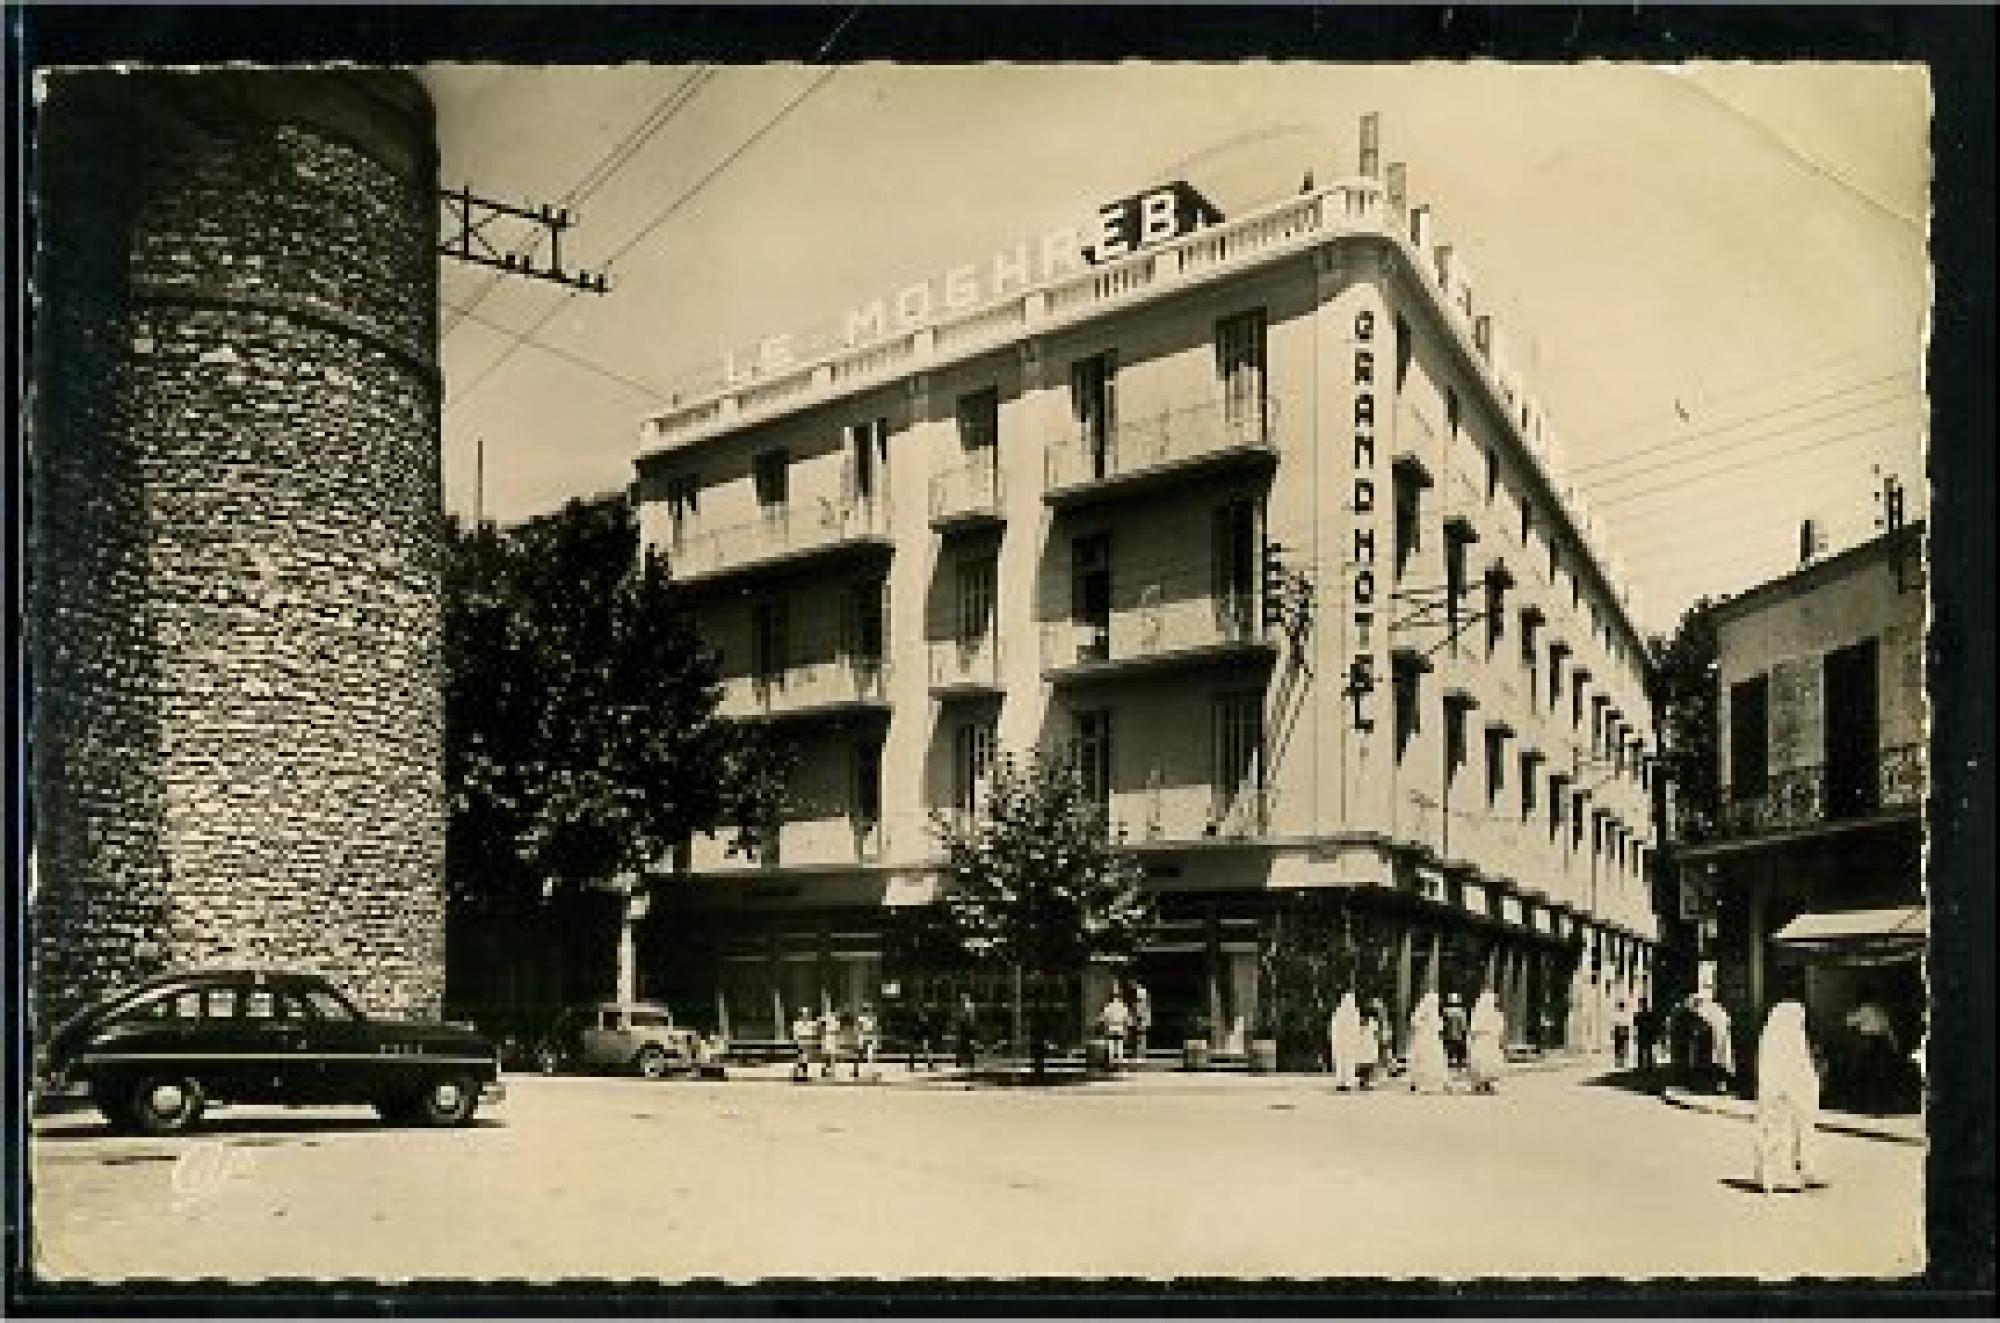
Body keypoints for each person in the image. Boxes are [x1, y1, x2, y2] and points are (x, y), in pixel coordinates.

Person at [1753, 1000, 1822, 1194]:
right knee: (1784, 1134)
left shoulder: (1770, 1037)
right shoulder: (1792, 1038)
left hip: (1773, 1092)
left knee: (1772, 1134)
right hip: (1788, 1095)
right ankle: (1784, 1176)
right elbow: (1801, 1069)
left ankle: (1770, 1177)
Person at [1407, 991, 1450, 1093]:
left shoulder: (1433, 1014)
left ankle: (1430, 1082)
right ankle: (1422, 1082)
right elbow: (1416, 1024)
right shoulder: (1422, 1014)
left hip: (1430, 1040)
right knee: (1424, 1060)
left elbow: (1439, 1027)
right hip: (1426, 1040)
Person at [1467, 990, 1506, 1093]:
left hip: (1486, 1041)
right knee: (1485, 1063)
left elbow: (1473, 1029)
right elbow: (1500, 1029)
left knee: (1483, 1063)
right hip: (1488, 1042)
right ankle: (1482, 1084)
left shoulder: (1479, 1014)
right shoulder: (1495, 1014)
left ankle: (1483, 1084)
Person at [1699, 996, 1736, 1095]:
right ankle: (1717, 1084)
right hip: (1715, 1039)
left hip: (1719, 1038)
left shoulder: (1716, 1009)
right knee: (1718, 1059)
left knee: (1719, 1059)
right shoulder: (1714, 1009)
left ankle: (1719, 1084)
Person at [1328, 991, 1364, 1091]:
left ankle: (1341, 1082)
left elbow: (1334, 1028)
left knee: (1342, 1064)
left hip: (1342, 1043)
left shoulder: (1338, 1013)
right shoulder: (1354, 1013)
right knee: (1348, 1064)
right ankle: (1346, 1082)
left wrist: (1334, 1041)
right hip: (1348, 1044)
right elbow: (1357, 1030)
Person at [1100, 988, 1133, 1069]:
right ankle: (1118, 1063)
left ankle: (1111, 1063)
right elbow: (1128, 1020)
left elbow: (1102, 1019)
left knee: (1111, 1046)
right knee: (1119, 1046)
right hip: (1120, 1029)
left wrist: (1104, 1027)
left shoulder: (1108, 1007)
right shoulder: (1123, 1007)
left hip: (1110, 1029)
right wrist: (1127, 1029)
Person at [1357, 1001, 1385, 1089]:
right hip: (1370, 1045)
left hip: (1364, 1045)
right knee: (1369, 1066)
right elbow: (1378, 1035)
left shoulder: (1360, 1021)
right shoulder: (1374, 1022)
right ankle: (1365, 1083)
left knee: (1364, 1065)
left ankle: (1363, 1082)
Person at [1441, 992, 1470, 1072]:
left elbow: (1445, 1022)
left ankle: (1450, 1062)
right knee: (1459, 1049)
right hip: (1459, 1033)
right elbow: (1464, 1025)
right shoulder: (1462, 1012)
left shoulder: (1447, 1011)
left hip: (1450, 1033)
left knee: (1450, 1047)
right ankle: (1459, 1063)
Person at [790, 1006, 818, 1083]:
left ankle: (803, 1076)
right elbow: (796, 1035)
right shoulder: (798, 1024)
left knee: (804, 1062)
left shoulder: (811, 1024)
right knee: (800, 1061)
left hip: (806, 1045)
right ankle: (797, 1076)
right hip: (801, 1045)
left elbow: (813, 1035)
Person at [952, 991, 979, 1071]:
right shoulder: (961, 1008)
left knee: (968, 1046)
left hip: (968, 1029)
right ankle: (960, 1062)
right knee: (961, 1046)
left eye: (964, 999)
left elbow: (972, 1019)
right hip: (964, 1029)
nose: (963, 1000)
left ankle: (970, 1062)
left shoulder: (968, 1007)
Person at [854, 1002, 880, 1080]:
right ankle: (858, 1072)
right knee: (864, 1056)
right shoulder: (865, 1018)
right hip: (865, 1039)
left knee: (867, 1057)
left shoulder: (868, 1018)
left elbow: (874, 1030)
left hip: (866, 1039)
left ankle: (869, 1072)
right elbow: (860, 1029)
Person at [818, 1005, 844, 1080]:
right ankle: (827, 1071)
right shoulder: (832, 1019)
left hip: (830, 1039)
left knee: (829, 1057)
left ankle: (827, 1071)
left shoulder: (829, 1018)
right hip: (829, 1038)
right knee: (829, 1057)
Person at [1130, 981, 1152, 1064]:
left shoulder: (1141, 998)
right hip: (1139, 1019)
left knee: (1140, 1037)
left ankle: (1139, 1055)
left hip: (1140, 1019)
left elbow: (1141, 1010)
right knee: (1137, 1038)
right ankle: (1138, 1055)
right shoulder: (1141, 999)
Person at [1611, 994, 1634, 1068]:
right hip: (1621, 1031)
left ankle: (1620, 1061)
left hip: (1619, 1031)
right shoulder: (1626, 1014)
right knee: (1621, 1047)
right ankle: (1621, 1061)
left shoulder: (1617, 1014)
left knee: (1619, 1047)